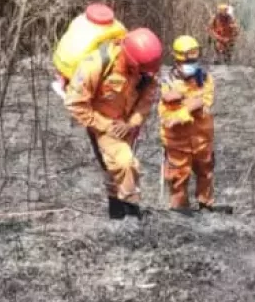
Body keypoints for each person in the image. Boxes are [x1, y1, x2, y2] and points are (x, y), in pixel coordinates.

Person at [65, 27, 163, 219]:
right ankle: (131, 212)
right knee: (126, 163)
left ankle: (117, 214)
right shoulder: (96, 65)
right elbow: (74, 103)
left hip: (128, 124)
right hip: (101, 121)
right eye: (140, 70)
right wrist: (104, 125)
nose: (145, 74)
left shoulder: (146, 71)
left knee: (115, 168)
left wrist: (132, 123)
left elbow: (146, 100)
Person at [158, 36, 231, 215]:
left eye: (194, 60)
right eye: (187, 61)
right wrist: (187, 107)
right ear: (177, 60)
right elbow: (167, 116)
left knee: (206, 172)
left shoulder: (205, 79)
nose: (192, 64)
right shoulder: (166, 82)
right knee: (178, 178)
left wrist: (183, 103)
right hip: (177, 143)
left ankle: (206, 205)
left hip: (202, 139)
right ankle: (180, 210)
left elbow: (204, 102)